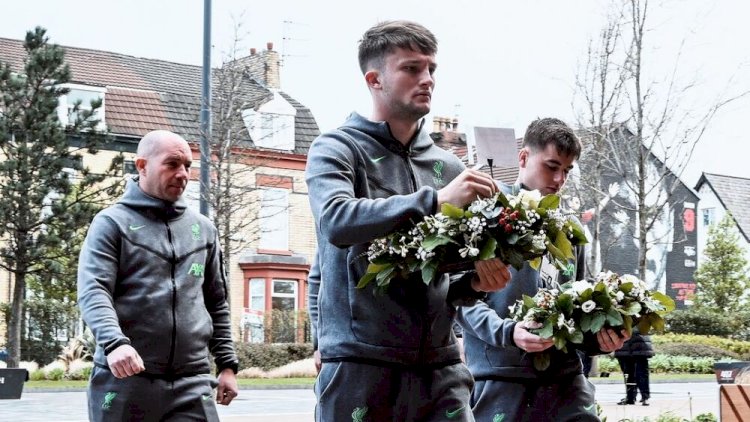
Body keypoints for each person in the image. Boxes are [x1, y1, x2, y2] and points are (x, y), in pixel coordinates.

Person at [305, 20, 512, 421]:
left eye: (432, 69)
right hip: (360, 363)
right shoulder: (335, 147)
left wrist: (473, 281)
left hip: (440, 367)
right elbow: (336, 220)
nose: (427, 79)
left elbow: (445, 271)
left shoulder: (449, 166)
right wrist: (435, 201)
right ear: (375, 79)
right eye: (411, 68)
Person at [456, 118, 630, 422]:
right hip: (500, 380)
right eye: (552, 166)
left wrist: (600, 338)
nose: (560, 179)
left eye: (567, 170)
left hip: (566, 383)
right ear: (523, 158)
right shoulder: (483, 215)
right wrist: (509, 333)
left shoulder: (572, 231)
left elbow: (579, 305)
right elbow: (459, 298)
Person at [77, 130, 239, 421]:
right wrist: (115, 343)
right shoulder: (111, 223)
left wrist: (227, 365)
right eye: (172, 164)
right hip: (125, 376)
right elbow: (94, 290)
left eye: (188, 166)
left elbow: (216, 302)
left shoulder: (203, 230)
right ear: (142, 166)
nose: (183, 174)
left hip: (192, 381)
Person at [615, 329, 654, 406]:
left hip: (638, 345)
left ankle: (643, 397)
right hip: (628, 346)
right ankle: (631, 397)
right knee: (629, 374)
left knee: (640, 373)